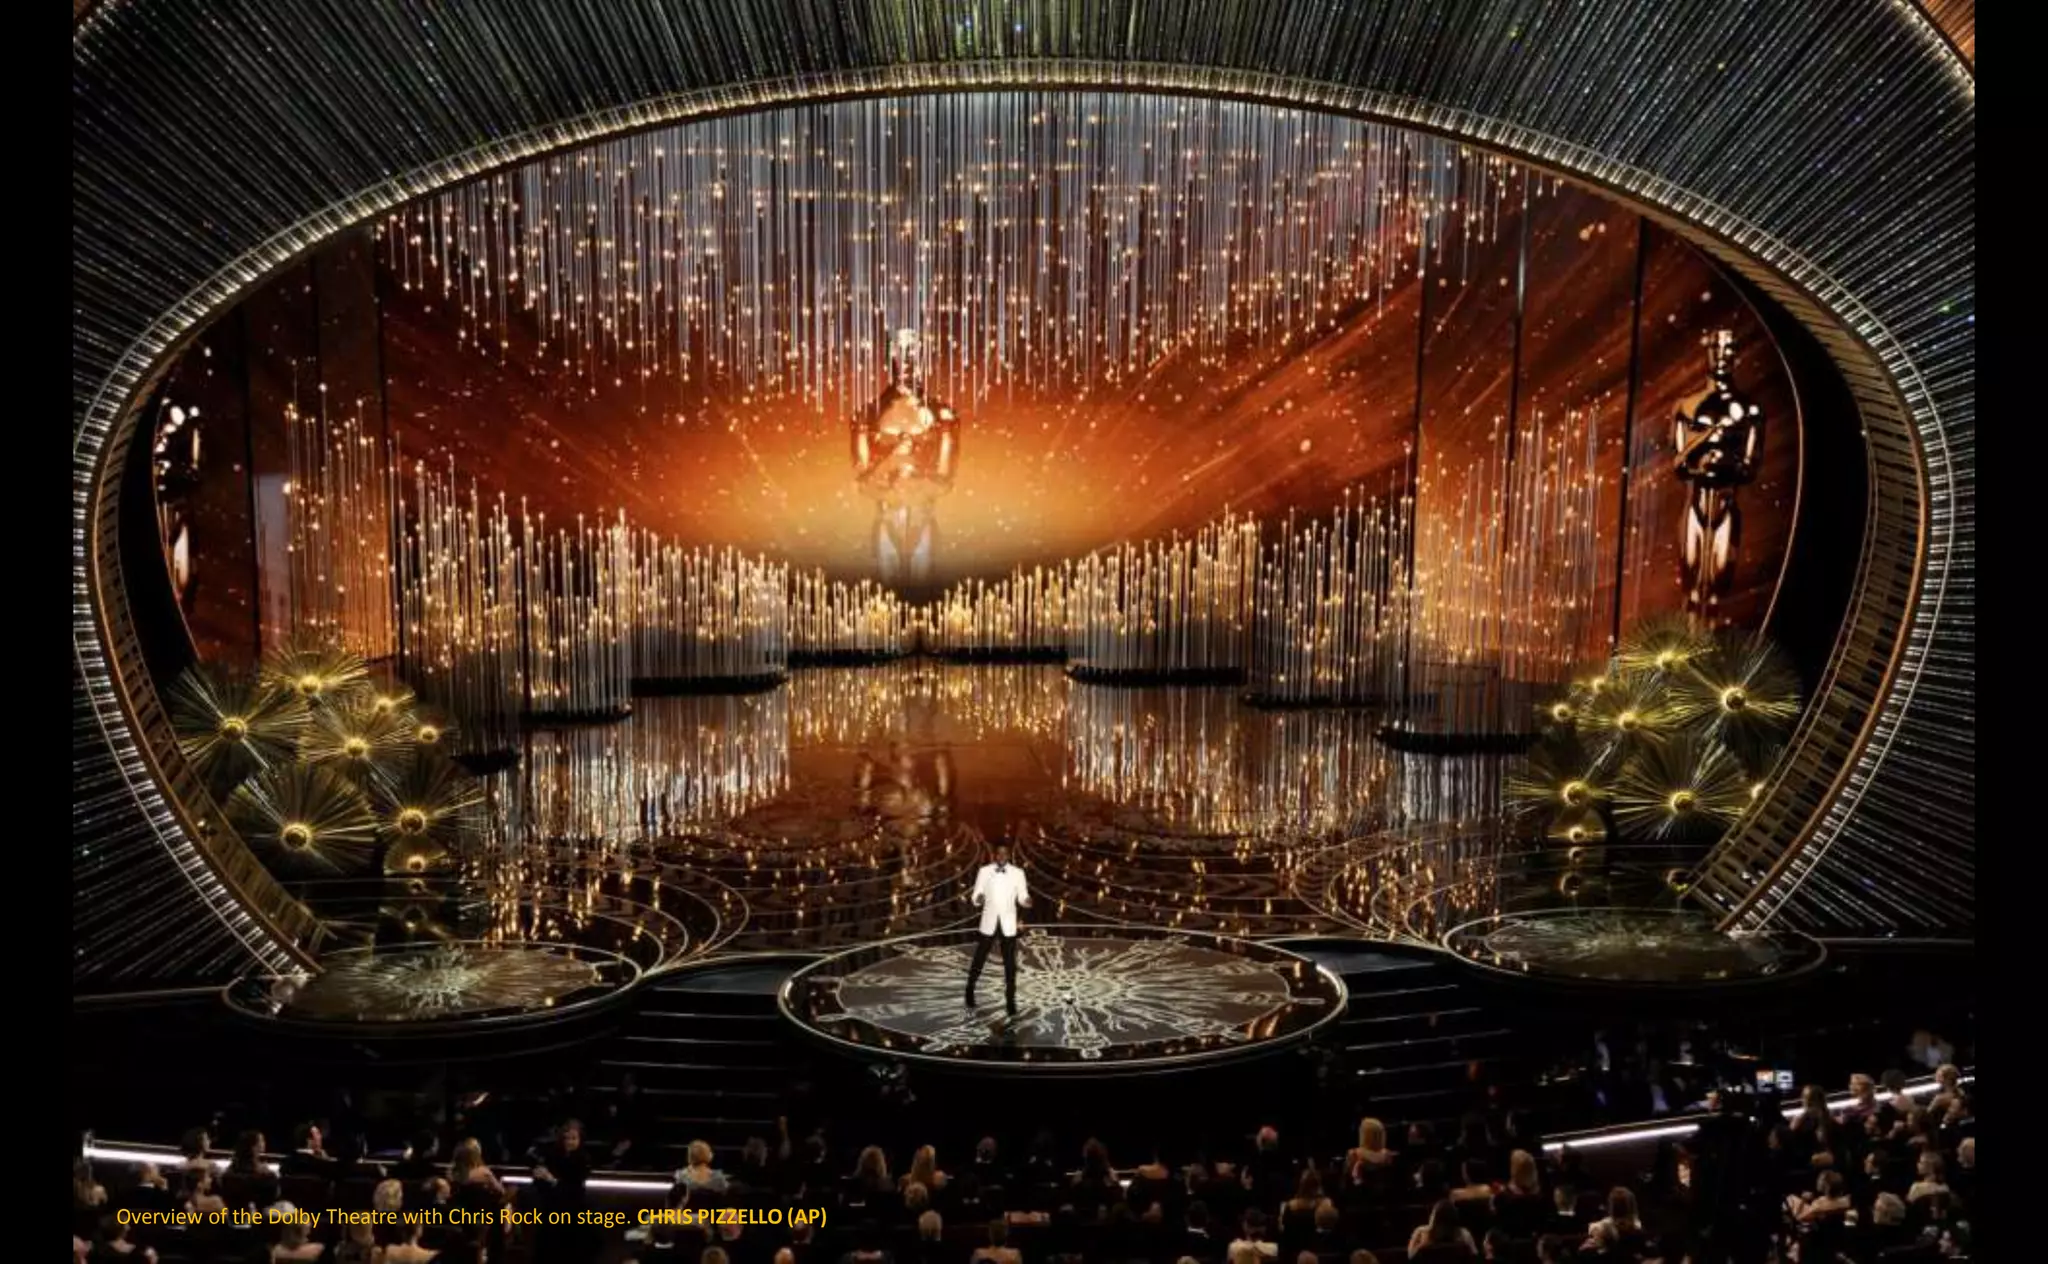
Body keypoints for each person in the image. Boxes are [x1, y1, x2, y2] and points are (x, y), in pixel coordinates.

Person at [967, 843, 1030, 1015]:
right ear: (995, 855)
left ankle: (1010, 1000)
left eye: (1005, 853)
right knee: (979, 958)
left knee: (1010, 964)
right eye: (999, 853)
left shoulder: (1018, 873)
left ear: (1009, 855)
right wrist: (978, 899)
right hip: (989, 922)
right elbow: (976, 894)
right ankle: (970, 989)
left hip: (1008, 924)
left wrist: (1026, 901)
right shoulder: (984, 871)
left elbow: (1022, 895)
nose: (1002, 856)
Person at [1406, 1200, 1476, 1261]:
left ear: (1433, 1217)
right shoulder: (1464, 1234)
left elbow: (1410, 1257)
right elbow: (1474, 1255)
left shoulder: (1422, 1232)